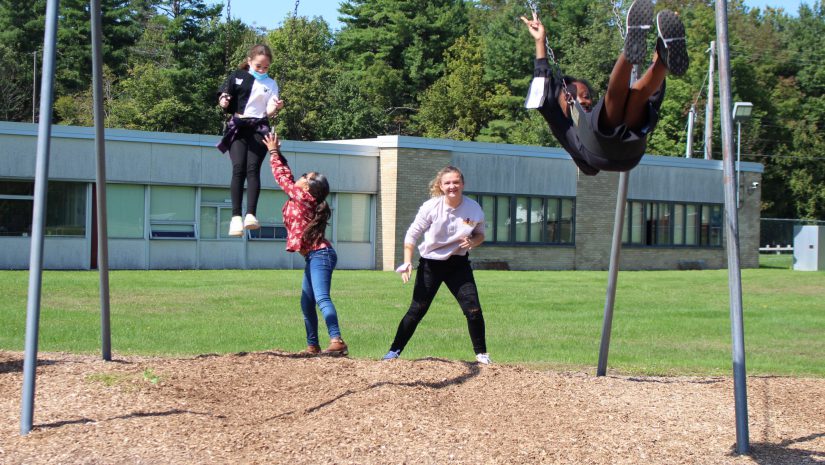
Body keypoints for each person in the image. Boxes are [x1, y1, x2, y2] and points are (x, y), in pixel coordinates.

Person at [522, 0, 688, 175]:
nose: (585, 100)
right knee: (614, 97)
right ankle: (630, 50)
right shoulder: (558, 118)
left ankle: (664, 52)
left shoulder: (601, 116)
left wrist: (664, 40)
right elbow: (541, 82)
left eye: (587, 96)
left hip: (632, 150)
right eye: (577, 96)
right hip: (598, 150)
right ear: (563, 99)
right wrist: (540, 41)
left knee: (638, 98)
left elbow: (653, 95)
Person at [383, 166, 491, 365]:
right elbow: (412, 234)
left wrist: (473, 242)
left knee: (473, 309)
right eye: (447, 183)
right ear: (441, 186)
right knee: (417, 309)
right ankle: (393, 352)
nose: (452, 186)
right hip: (431, 265)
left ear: (463, 184)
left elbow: (480, 234)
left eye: (456, 182)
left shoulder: (473, 208)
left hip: (458, 264)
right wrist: (407, 261)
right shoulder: (431, 207)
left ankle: (482, 355)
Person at [264, 131, 348, 356]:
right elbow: (288, 175)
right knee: (306, 302)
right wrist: (278, 153)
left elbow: (282, 178)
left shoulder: (303, 197)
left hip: (321, 255)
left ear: (308, 187)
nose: (299, 177)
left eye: (305, 176)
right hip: (314, 256)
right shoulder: (303, 196)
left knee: (321, 298)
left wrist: (273, 152)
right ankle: (313, 346)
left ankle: (337, 341)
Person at [216, 44, 285, 237]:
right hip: (238, 127)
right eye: (258, 66)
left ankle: (251, 215)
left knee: (253, 169)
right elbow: (224, 96)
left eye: (266, 67)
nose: (262, 70)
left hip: (258, 128)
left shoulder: (271, 84)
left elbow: (269, 110)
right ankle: (236, 217)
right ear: (249, 62)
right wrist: (223, 100)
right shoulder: (237, 76)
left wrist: (276, 107)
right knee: (238, 168)